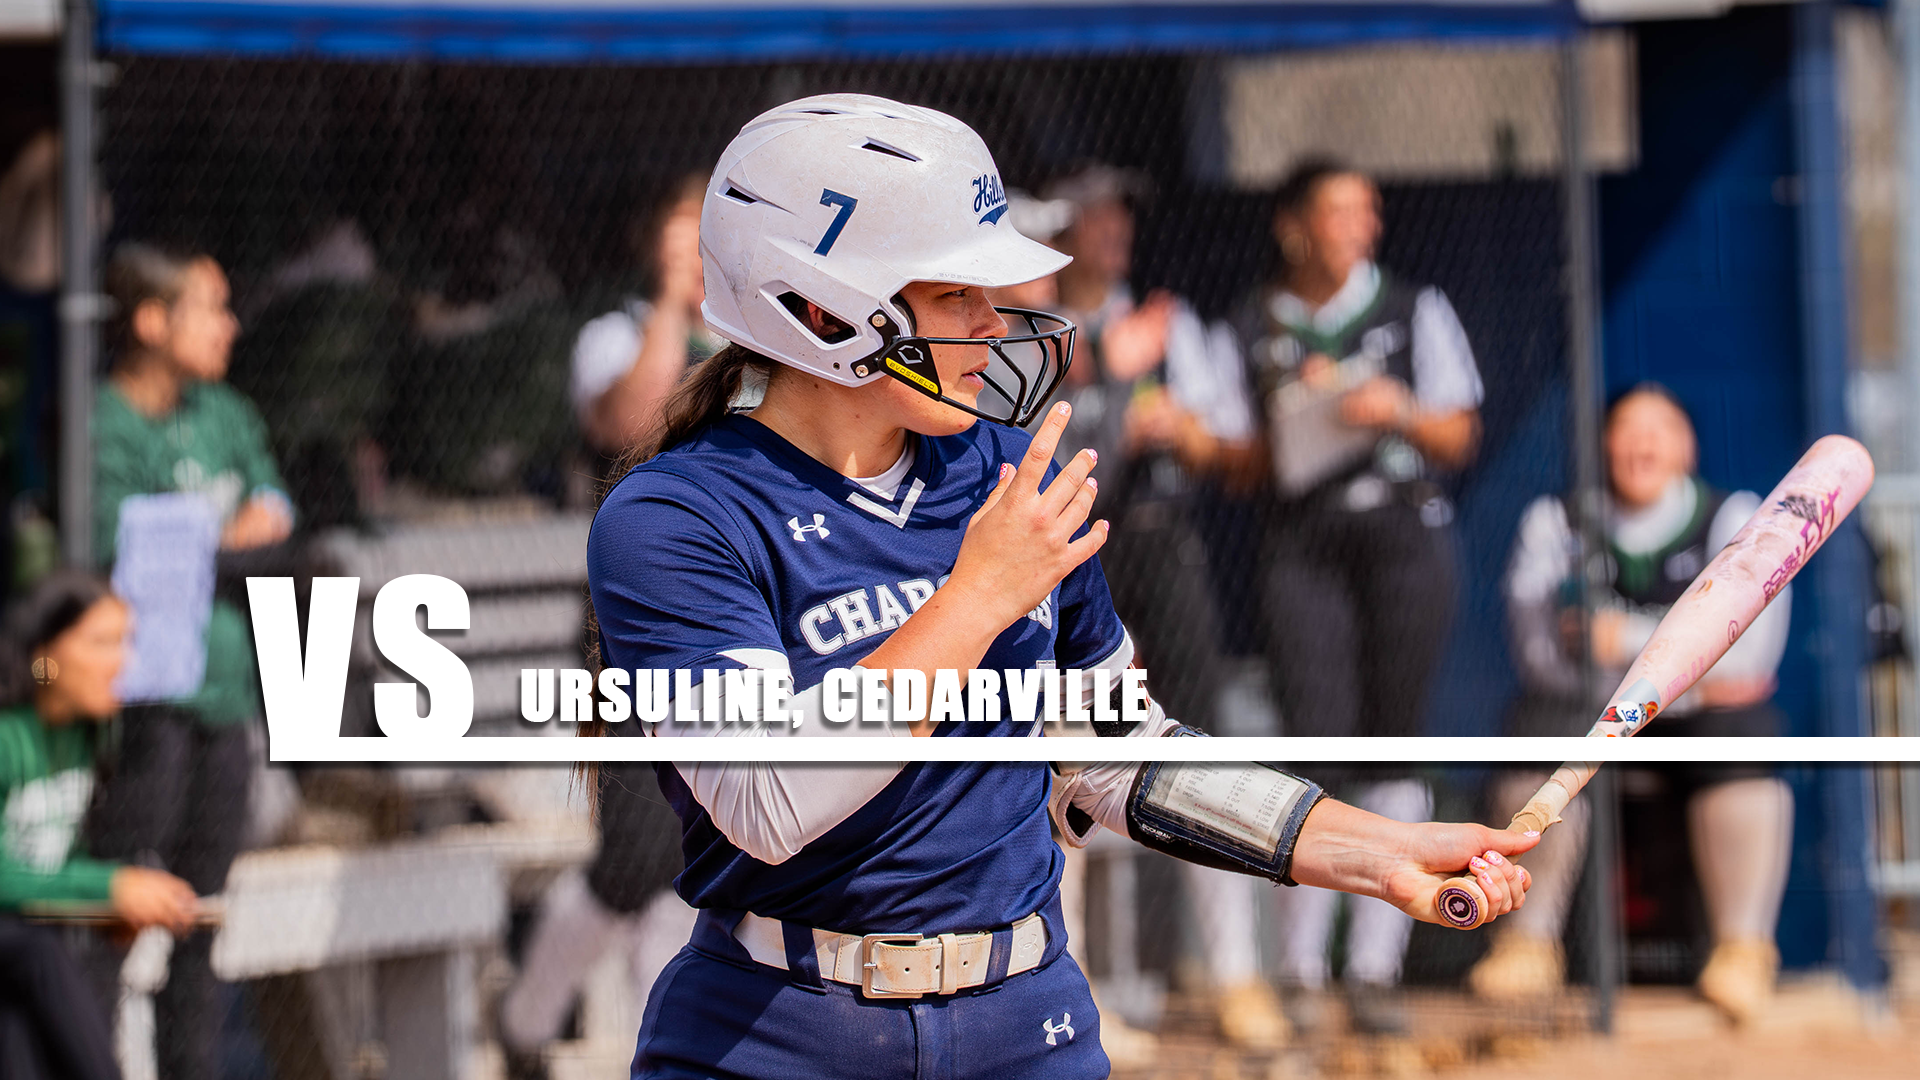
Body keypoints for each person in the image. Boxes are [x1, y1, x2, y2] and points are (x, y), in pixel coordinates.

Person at [587, 94, 1537, 1078]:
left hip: (1024, 1023)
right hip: (779, 1033)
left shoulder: (1006, 470)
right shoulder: (679, 515)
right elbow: (767, 799)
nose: (994, 324)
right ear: (823, 312)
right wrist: (975, 596)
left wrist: (1371, 850)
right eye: (956, 294)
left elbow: (1113, 751)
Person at [1156, 159, 1485, 1034]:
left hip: (1403, 542)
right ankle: (1302, 973)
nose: (1360, 227)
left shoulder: (1412, 306)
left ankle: (1374, 974)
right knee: (1316, 743)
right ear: (1295, 226)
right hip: (1303, 547)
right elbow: (1233, 462)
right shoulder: (1251, 321)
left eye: (1368, 211)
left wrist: (1394, 410)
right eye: (1340, 212)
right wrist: (1298, 416)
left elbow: (1459, 431)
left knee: (1395, 745)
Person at [1043, 164, 1287, 1051]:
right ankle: (1072, 988)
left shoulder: (1169, 324)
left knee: (1195, 743)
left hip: (1162, 546)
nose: (1113, 231)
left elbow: (1235, 450)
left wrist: (1183, 430)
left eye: (1121, 217)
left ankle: (1235, 977)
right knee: (1063, 757)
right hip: (1071, 555)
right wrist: (1109, 384)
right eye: (1093, 217)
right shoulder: (1030, 330)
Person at [1470, 384, 1794, 1025]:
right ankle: (1526, 947)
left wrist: (1620, 640)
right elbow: (1541, 660)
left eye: (1660, 428)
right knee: (1534, 730)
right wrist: (1680, 663)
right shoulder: (1557, 522)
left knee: (1747, 732)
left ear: (1687, 447)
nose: (1642, 443)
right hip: (1592, 716)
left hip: (1695, 722)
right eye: (1626, 428)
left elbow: (1750, 663)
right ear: (1603, 444)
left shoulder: (1733, 518)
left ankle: (1743, 952)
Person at [89, 241, 291, 1080]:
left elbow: (275, 511)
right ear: (150, 321)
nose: (229, 326)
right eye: (209, 308)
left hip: (224, 700)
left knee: (202, 920)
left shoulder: (226, 413)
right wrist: (220, 541)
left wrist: (198, 544)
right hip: (146, 708)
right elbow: (123, 554)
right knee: (113, 921)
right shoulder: (102, 422)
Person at [0, 571, 199, 1080]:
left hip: (17, 947)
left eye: (125, 641)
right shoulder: (8, 734)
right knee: (40, 954)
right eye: (102, 642)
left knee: (18, 1027)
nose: (122, 660)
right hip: (24, 945)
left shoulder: (89, 733)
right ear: (46, 655)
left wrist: (99, 909)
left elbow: (48, 860)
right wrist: (107, 887)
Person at [571, 175, 727, 469]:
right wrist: (673, 295)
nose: (701, 263)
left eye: (709, 244)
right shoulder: (614, 333)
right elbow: (630, 428)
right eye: (689, 251)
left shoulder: (753, 338)